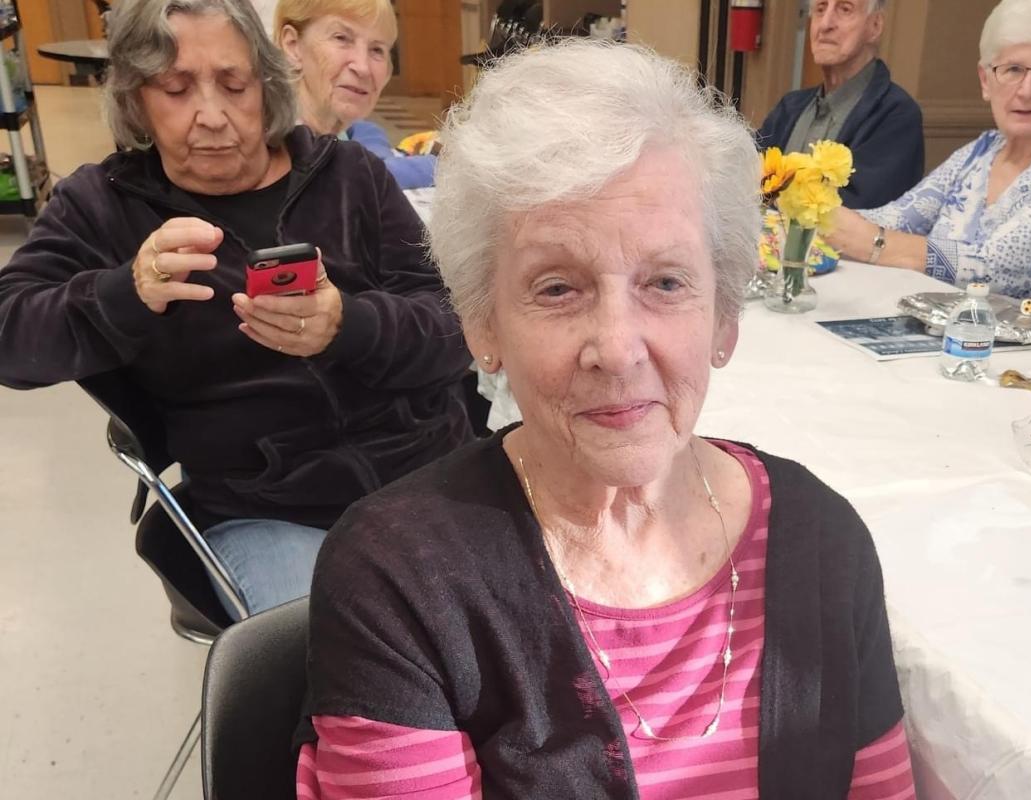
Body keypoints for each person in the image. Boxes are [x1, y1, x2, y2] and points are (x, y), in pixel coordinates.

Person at [297, 39, 915, 799]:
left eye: (666, 282)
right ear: (483, 324)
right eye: (558, 288)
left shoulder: (823, 541)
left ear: (724, 317)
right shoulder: (400, 578)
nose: (618, 349)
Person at [0, 0, 472, 618]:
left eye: (233, 84)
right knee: (346, 648)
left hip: (427, 472)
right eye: (175, 89)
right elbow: (11, 335)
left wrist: (348, 325)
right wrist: (125, 293)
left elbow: (453, 326)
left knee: (532, 620)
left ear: (267, 84)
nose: (212, 115)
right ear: (136, 100)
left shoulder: (348, 175)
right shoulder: (102, 206)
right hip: (266, 508)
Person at [824, 0, 1031, 325]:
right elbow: (898, 218)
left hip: (1022, 353)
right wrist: (807, 218)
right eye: (1012, 69)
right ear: (985, 80)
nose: (1027, 89)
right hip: (933, 332)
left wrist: (871, 242)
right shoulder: (983, 151)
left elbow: (985, 269)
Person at [757, 0, 923, 209]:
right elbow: (743, 180)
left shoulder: (897, 116)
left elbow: (855, 211)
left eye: (845, 9)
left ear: (875, 26)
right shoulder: (790, 107)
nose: (825, 24)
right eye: (820, 9)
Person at [274, 0, 437, 189]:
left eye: (377, 49)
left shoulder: (331, 128)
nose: (363, 67)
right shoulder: (278, 150)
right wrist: (443, 166)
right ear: (293, 45)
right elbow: (356, 178)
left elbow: (362, 130)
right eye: (341, 38)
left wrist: (376, 152)